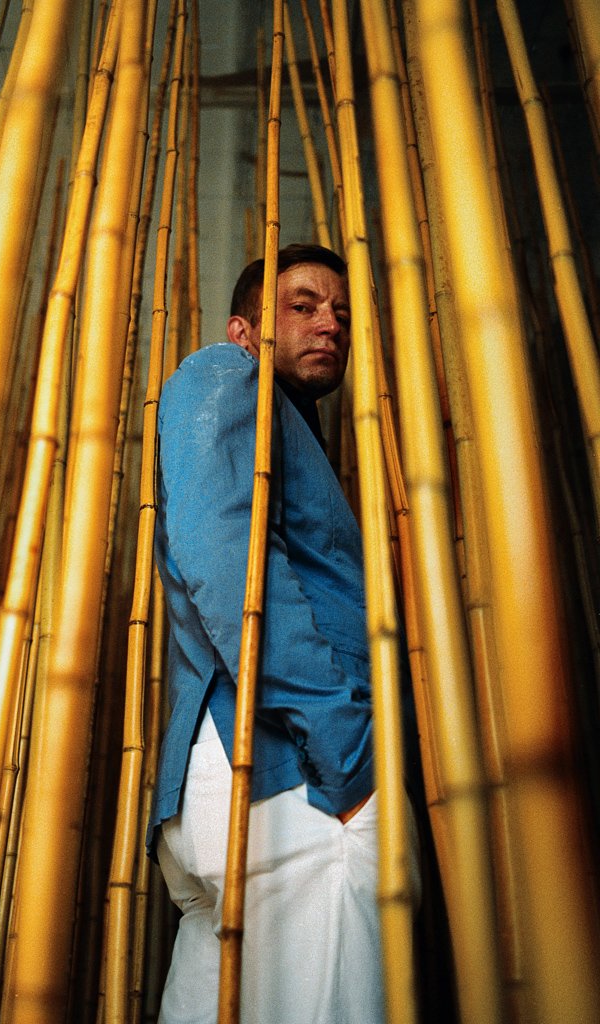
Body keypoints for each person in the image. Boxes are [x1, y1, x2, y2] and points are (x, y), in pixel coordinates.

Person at [149, 244, 415, 1023]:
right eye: (302, 306)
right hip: (285, 773)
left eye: (341, 313)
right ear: (243, 329)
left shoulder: (287, 428)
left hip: (246, 782)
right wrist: (347, 750)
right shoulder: (227, 374)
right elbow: (227, 561)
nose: (329, 324)